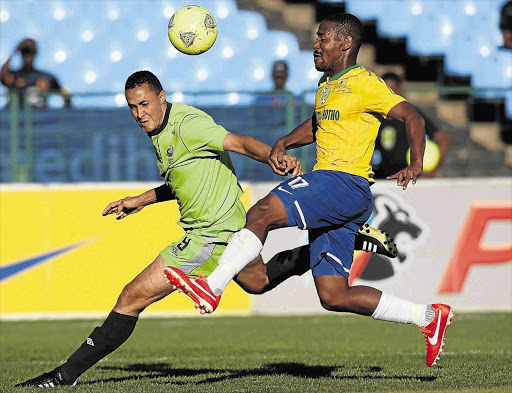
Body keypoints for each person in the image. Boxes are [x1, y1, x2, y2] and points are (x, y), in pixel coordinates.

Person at [16, 70, 393, 387]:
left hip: (209, 235)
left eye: (145, 104)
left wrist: (272, 156)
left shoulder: (188, 123)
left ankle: (64, 376)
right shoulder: (160, 133)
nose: (139, 113)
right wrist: (141, 199)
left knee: (131, 297)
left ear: (162, 97)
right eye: (133, 107)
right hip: (227, 230)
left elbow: (237, 142)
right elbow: (183, 179)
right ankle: (327, 247)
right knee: (258, 282)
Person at [166, 13, 454, 368]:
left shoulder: (365, 83)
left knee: (261, 213)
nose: (316, 44)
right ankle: (427, 317)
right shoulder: (327, 83)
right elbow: (319, 123)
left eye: (323, 38)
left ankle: (212, 287)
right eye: (317, 38)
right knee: (333, 295)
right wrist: (286, 141)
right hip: (341, 192)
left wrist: (417, 162)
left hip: (342, 181)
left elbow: (414, 117)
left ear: (345, 44)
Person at [372, 72, 451, 179]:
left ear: (400, 90)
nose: (388, 94)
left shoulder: (411, 115)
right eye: (385, 90)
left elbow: (443, 139)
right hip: (383, 178)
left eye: (392, 89)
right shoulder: (375, 116)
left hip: (409, 179)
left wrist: (431, 172)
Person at [0, 38, 71, 109]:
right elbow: (2, 76)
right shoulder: (13, 76)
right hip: (17, 116)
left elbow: (65, 95)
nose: (28, 55)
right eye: (25, 51)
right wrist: (14, 51)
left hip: (39, 116)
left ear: (35, 53)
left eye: (31, 51)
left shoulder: (46, 77)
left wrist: (64, 115)